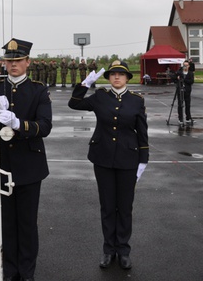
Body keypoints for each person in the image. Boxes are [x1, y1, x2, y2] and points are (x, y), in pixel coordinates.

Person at [68, 60, 149, 271]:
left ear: (127, 78)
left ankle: (123, 250)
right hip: (102, 158)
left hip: (128, 159)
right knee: (107, 206)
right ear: (109, 77)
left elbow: (142, 132)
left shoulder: (136, 100)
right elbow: (74, 104)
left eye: (121, 75)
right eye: (113, 74)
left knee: (124, 207)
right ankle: (108, 250)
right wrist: (84, 84)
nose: (116, 77)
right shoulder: (100, 97)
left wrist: (143, 160)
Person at [0, 38, 52, 281]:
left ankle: (27, 272)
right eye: (9, 61)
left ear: (28, 62)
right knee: (6, 223)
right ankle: (9, 271)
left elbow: (46, 125)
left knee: (27, 224)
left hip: (29, 165)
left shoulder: (38, 89)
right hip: (1, 164)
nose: (13, 65)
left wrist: (18, 124)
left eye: (18, 60)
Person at [175, 59, 194, 126]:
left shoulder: (190, 73)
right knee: (180, 104)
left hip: (187, 91)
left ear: (188, 66)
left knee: (187, 105)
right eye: (184, 65)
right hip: (180, 90)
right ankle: (180, 118)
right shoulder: (180, 72)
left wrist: (184, 79)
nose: (185, 67)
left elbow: (191, 81)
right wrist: (177, 77)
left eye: (186, 65)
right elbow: (174, 77)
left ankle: (188, 117)